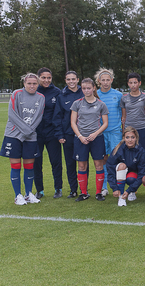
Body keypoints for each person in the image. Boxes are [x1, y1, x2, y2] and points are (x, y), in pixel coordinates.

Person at [2, 73, 45, 205]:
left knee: (29, 166)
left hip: (30, 136)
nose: (32, 86)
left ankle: (28, 194)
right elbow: (12, 115)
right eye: (29, 83)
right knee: (16, 165)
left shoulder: (41, 97)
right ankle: (18, 195)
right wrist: (25, 131)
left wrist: (28, 132)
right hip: (14, 135)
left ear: (38, 84)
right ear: (24, 84)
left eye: (34, 83)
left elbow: (38, 117)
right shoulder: (16, 94)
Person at [70, 78, 109, 202]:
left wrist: (95, 134)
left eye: (88, 88)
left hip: (96, 139)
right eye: (84, 88)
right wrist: (80, 136)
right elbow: (73, 122)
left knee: (98, 165)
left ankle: (98, 193)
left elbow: (105, 123)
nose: (86, 90)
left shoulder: (101, 104)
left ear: (93, 88)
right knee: (82, 166)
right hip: (80, 139)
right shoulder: (77, 103)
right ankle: (84, 193)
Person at [53, 71, 84, 198]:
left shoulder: (85, 92)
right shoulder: (62, 96)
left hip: (84, 134)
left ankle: (84, 190)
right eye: (68, 79)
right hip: (68, 135)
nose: (71, 81)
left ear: (77, 80)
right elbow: (57, 117)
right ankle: (73, 190)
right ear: (65, 81)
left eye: (73, 79)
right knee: (70, 163)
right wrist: (60, 135)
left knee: (83, 163)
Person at [33, 67, 63, 199]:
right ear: (38, 77)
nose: (46, 80)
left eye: (49, 78)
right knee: (36, 162)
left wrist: (58, 132)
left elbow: (59, 114)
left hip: (52, 133)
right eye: (43, 77)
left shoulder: (57, 92)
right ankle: (39, 190)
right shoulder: (33, 91)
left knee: (56, 161)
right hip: (35, 133)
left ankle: (58, 188)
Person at [95, 68, 122, 196]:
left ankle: (117, 186)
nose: (105, 82)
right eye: (103, 80)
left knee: (116, 159)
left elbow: (123, 114)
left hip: (115, 132)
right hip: (100, 132)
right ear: (99, 81)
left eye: (108, 80)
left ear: (112, 80)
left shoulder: (118, 95)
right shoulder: (96, 95)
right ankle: (104, 187)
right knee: (103, 159)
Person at [105, 126, 145, 206]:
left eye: (132, 137)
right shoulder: (118, 149)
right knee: (122, 165)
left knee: (131, 179)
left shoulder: (140, 150)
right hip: (122, 172)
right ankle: (121, 196)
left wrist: (129, 190)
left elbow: (142, 173)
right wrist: (115, 188)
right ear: (124, 138)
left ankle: (131, 192)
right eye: (127, 137)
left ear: (136, 138)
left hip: (133, 175)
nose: (130, 140)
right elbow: (110, 167)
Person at [120, 72, 145, 151]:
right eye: (130, 83)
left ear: (139, 83)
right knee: (130, 152)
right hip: (129, 129)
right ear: (128, 84)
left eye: (135, 82)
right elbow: (123, 117)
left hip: (143, 128)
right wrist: (124, 131)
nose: (133, 85)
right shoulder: (124, 98)